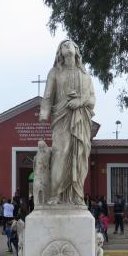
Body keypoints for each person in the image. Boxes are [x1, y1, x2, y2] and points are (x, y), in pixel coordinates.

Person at [39, 39, 95, 205]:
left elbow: (92, 99)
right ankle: (56, 194)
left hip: (80, 119)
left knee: (79, 156)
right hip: (61, 117)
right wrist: (44, 114)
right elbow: (48, 96)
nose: (67, 46)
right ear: (60, 53)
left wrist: (80, 101)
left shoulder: (85, 76)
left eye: (69, 44)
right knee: (60, 153)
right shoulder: (55, 72)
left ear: (76, 50)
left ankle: (77, 195)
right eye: (63, 45)